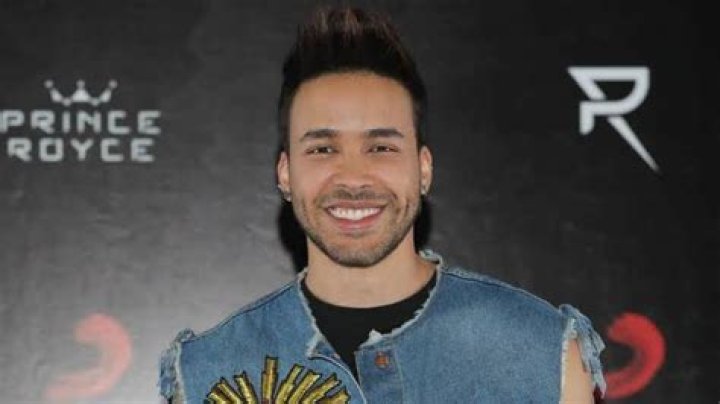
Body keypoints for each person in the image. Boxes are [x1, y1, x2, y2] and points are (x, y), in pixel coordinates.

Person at [159, 6, 606, 403]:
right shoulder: (210, 371)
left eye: (381, 148)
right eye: (322, 149)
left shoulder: (540, 350)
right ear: (285, 173)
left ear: (423, 169)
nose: (353, 177)